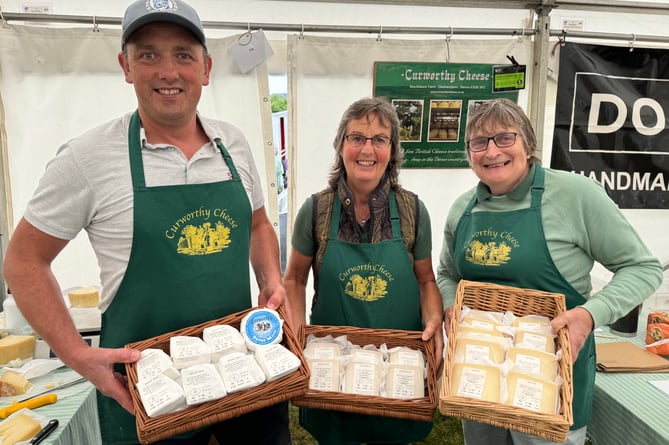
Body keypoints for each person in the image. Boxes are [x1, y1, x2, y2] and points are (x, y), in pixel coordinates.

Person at [3, 1, 291, 444]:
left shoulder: (232, 143)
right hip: (146, 388)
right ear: (126, 66)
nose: (168, 71)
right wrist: (78, 354)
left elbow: (257, 225)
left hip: (243, 367)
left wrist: (271, 278)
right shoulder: (88, 157)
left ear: (206, 67)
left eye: (183, 54)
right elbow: (24, 261)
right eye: (148, 55)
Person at [436, 98, 663, 445]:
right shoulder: (463, 209)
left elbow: (642, 267)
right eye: (479, 142)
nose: (491, 151)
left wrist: (589, 315)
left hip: (552, 378)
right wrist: (452, 304)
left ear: (529, 144)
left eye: (504, 138)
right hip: (479, 377)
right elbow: (447, 273)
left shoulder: (575, 195)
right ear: (469, 154)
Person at [283, 96, 444, 445]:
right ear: (341, 146)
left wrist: (435, 323)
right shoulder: (315, 211)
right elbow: (294, 279)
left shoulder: (414, 210)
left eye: (379, 139)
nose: (366, 149)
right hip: (331, 369)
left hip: (399, 365)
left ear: (392, 149)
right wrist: (296, 335)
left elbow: (426, 279)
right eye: (356, 138)